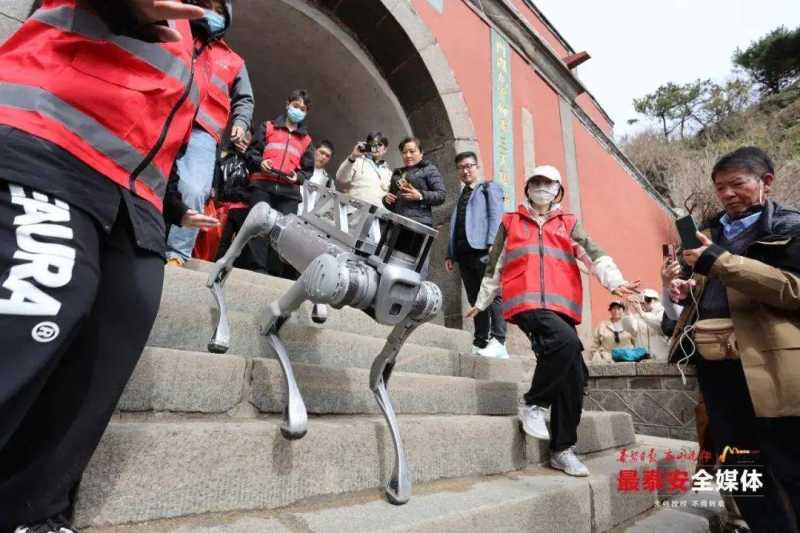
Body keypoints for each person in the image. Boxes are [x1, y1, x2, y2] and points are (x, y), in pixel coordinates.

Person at [0, 2, 220, 532]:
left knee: (118, 330)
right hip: (49, 145)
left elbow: (149, 130)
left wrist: (174, 207)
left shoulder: (206, 50)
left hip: (135, 203)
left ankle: (33, 512)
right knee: (49, 293)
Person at [466, 165, 639, 477]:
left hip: (562, 306)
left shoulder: (568, 223)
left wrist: (614, 281)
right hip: (525, 301)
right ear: (527, 188)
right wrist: (481, 302)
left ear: (558, 189)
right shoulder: (511, 221)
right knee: (566, 341)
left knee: (575, 374)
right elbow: (495, 264)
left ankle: (562, 450)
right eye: (536, 182)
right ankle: (534, 403)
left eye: (548, 183)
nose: (541, 187)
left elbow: (593, 254)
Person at [669, 146, 800, 532]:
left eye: (737, 184)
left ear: (766, 182)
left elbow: (794, 289)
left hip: (773, 366)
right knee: (740, 467)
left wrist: (721, 263)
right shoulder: (707, 234)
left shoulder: (790, 227)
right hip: (717, 366)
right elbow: (706, 288)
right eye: (720, 187)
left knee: (790, 464)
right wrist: (684, 289)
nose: (727, 194)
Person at [165, 0, 254, 267]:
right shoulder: (179, 33)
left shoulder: (234, 61)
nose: (211, 14)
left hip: (203, 131)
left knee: (194, 190)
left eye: (219, 10)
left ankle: (176, 254)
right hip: (168, 115)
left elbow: (245, 99)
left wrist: (241, 122)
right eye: (206, 5)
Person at [240, 89, 314, 277]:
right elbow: (251, 153)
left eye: (302, 109)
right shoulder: (268, 127)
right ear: (287, 104)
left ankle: (274, 273)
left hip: (288, 193)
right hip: (263, 185)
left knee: (282, 233)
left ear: (306, 112)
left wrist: (298, 177)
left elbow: (307, 171)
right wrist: (260, 163)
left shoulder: (306, 140)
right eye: (295, 106)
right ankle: (257, 269)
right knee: (258, 227)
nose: (298, 111)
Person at [444, 151, 508, 359]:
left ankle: (499, 340)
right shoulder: (462, 196)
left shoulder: (488, 188)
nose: (465, 170)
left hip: (483, 251)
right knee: (474, 298)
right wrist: (450, 254)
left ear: (477, 167)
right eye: (461, 167)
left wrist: (493, 244)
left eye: (469, 166)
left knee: (492, 294)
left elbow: (496, 216)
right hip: (464, 255)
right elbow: (455, 227)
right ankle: (481, 340)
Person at [382, 137, 446, 228]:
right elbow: (392, 202)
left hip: (419, 224)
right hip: (397, 222)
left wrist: (420, 196)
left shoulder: (429, 169)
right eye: (404, 152)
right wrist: (386, 200)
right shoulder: (397, 173)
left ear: (421, 152)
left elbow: (441, 195)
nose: (408, 155)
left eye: (412, 151)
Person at [336, 132, 392, 206]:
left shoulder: (388, 172)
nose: (376, 146)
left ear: (385, 150)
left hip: (375, 212)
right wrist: (352, 157)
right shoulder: (356, 161)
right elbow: (340, 179)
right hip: (355, 209)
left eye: (379, 144)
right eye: (373, 143)